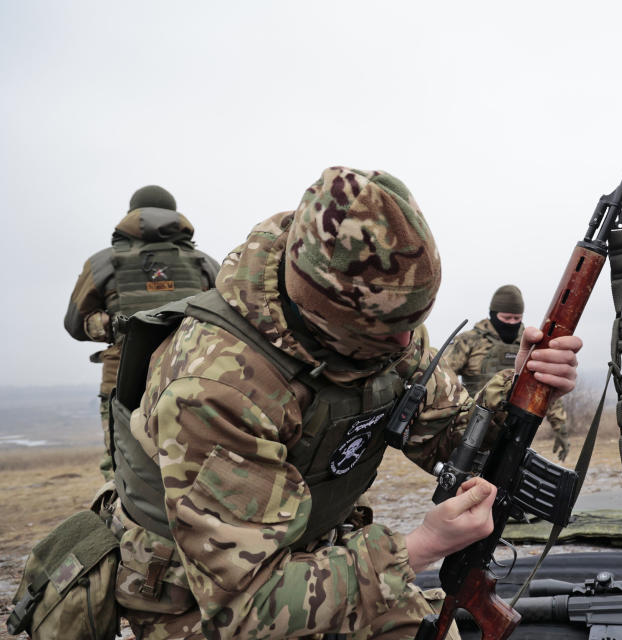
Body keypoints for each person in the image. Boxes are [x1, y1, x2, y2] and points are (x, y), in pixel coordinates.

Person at [107, 167, 583, 639]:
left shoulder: (376, 321)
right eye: (386, 331)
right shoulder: (216, 386)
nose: (405, 341)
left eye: (412, 320)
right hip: (202, 602)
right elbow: (245, 606)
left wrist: (519, 391)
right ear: (322, 314)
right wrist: (420, 547)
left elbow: (446, 433)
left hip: (319, 554)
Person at [64, 185, 219, 480]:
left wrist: (112, 324)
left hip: (124, 381)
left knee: (123, 471)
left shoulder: (102, 263)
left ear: (130, 215)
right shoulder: (206, 264)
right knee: (196, 466)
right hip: (192, 377)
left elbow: (75, 325)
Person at [446, 285, 572, 461]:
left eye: (517, 318)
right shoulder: (469, 341)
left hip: (516, 431)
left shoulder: (531, 344)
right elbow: (442, 377)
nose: (512, 322)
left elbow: (544, 387)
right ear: (493, 314)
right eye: (506, 317)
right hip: (473, 429)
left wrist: (561, 429)